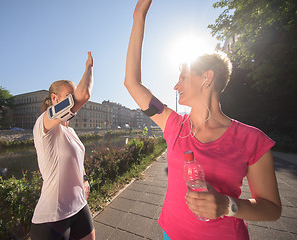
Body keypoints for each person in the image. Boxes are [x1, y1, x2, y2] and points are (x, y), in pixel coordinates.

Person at [124, 1, 282, 239]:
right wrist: (139, 17)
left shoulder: (252, 140)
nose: (176, 85)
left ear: (207, 78)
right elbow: (132, 84)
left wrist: (227, 205)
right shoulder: (174, 125)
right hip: (171, 234)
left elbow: (271, 208)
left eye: (183, 77)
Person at [30, 52, 95, 240]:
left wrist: (84, 179)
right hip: (53, 216)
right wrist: (89, 67)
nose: (72, 99)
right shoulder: (44, 122)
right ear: (55, 99)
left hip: (80, 205)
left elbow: (77, 159)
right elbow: (83, 95)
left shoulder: (71, 132)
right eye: (69, 95)